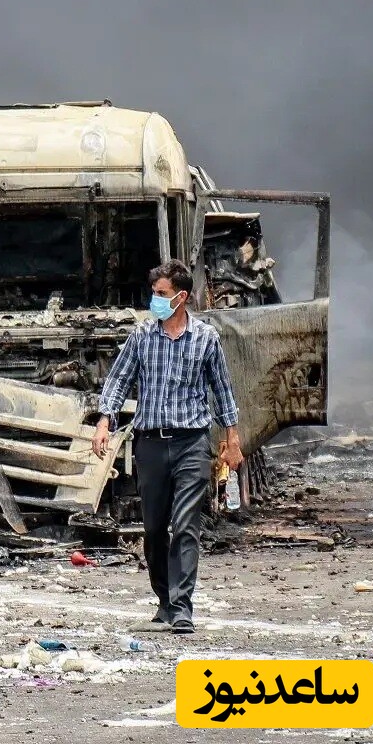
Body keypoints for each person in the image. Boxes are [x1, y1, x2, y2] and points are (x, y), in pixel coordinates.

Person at [92, 259, 243, 635]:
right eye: (153, 293)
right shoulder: (142, 336)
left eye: (161, 294)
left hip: (192, 443)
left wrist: (232, 440)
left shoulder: (206, 338)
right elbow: (118, 380)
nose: (154, 300)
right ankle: (165, 600)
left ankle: (182, 607)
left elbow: (222, 391)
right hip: (151, 446)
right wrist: (105, 420)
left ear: (182, 296)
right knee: (155, 528)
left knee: (186, 525)